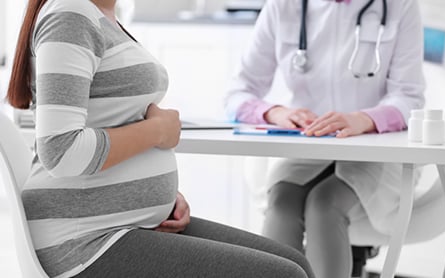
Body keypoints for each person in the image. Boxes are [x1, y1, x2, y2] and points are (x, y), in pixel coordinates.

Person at [6, 0, 316, 277]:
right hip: (83, 241)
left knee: (296, 263)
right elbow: (62, 151)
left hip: (121, 223)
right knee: (286, 274)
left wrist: (161, 198)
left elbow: (112, 120)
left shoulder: (102, 14)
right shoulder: (70, 15)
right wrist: (158, 131)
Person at [224, 0, 426, 277]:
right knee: (282, 203)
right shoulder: (283, 6)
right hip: (308, 145)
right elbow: (237, 93)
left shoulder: (399, 5)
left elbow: (409, 97)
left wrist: (363, 119)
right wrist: (274, 112)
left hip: (378, 147)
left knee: (324, 204)